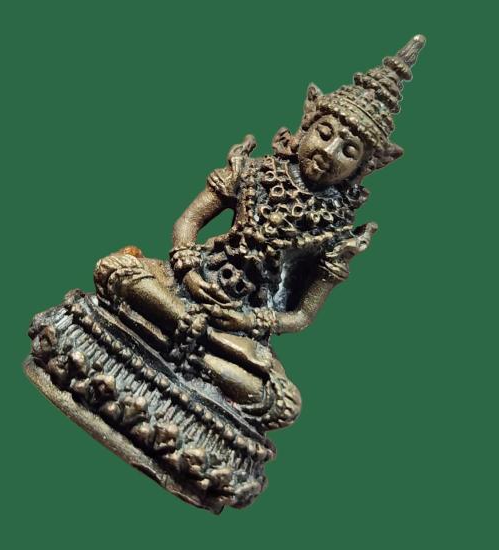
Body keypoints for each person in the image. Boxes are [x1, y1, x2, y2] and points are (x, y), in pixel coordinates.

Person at [94, 35, 426, 430]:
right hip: (186, 284)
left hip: (241, 325)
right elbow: (188, 223)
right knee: (115, 269)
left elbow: (302, 315)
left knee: (283, 404)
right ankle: (196, 347)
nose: (329, 152)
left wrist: (248, 323)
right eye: (325, 133)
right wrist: (190, 273)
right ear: (306, 124)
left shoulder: (337, 236)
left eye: (349, 151)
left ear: (366, 167)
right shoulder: (251, 172)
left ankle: (189, 343)